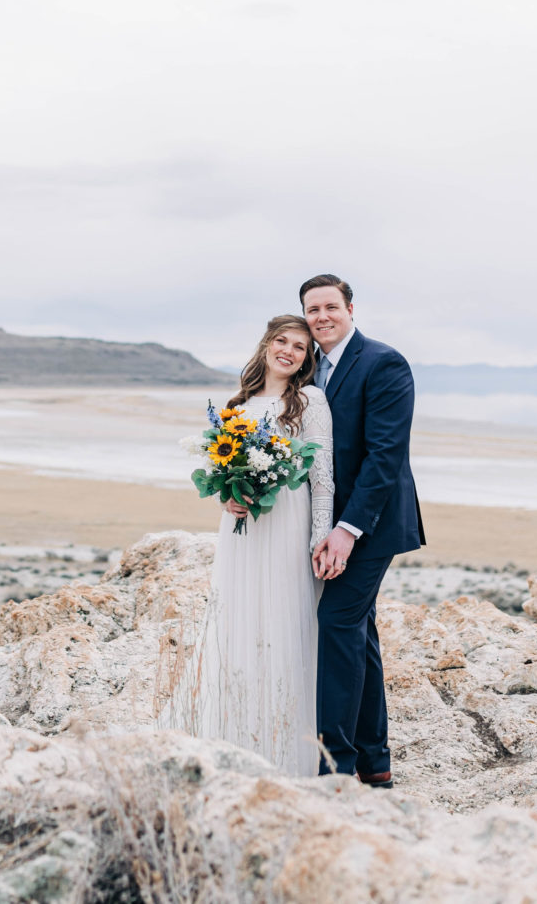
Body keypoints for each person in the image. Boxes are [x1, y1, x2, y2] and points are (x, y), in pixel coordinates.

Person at [160, 314, 335, 775]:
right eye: (282, 341)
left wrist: (320, 535)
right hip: (243, 531)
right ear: (265, 345)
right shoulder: (238, 403)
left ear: (306, 359)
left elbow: (322, 477)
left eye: (300, 347)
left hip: (289, 525)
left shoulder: (310, 401)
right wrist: (227, 498)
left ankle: (287, 740)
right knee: (239, 618)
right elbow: (223, 472)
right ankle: (237, 725)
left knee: (286, 618)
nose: (290, 352)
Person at [300, 273, 425, 786]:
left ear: (351, 309)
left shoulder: (383, 362)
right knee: (359, 632)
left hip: (372, 523)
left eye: (331, 306)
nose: (322, 317)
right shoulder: (311, 370)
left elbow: (384, 455)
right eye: (313, 310)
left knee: (335, 622)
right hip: (332, 521)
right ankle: (375, 764)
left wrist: (346, 531)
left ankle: (337, 766)